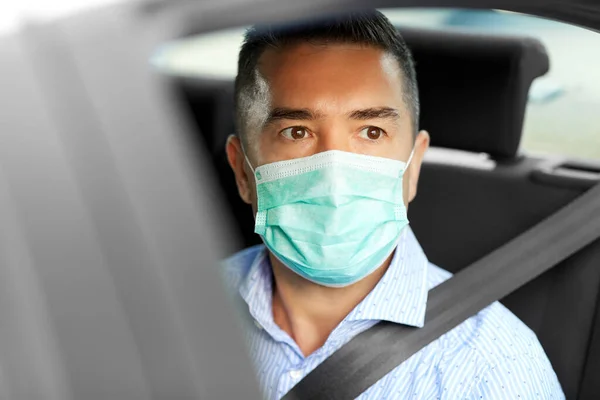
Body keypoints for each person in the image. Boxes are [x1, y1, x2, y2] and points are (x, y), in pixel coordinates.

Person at [223, 10, 564, 399]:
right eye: (296, 132)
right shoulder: (181, 308)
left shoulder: (493, 370)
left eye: (371, 132)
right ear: (242, 171)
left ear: (413, 166)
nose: (335, 174)